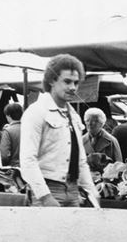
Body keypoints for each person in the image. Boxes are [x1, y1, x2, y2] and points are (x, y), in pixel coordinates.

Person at [19, 54, 100, 208]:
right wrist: (45, 197)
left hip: (73, 189)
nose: (73, 88)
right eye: (67, 82)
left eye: (76, 83)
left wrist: (92, 192)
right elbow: (28, 160)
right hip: (48, 188)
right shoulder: (36, 112)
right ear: (51, 80)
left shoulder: (74, 116)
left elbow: (81, 160)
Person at [0, 102, 23, 167]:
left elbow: (4, 155)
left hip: (14, 168)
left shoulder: (8, 131)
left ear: (8, 116)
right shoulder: (30, 128)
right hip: (30, 167)